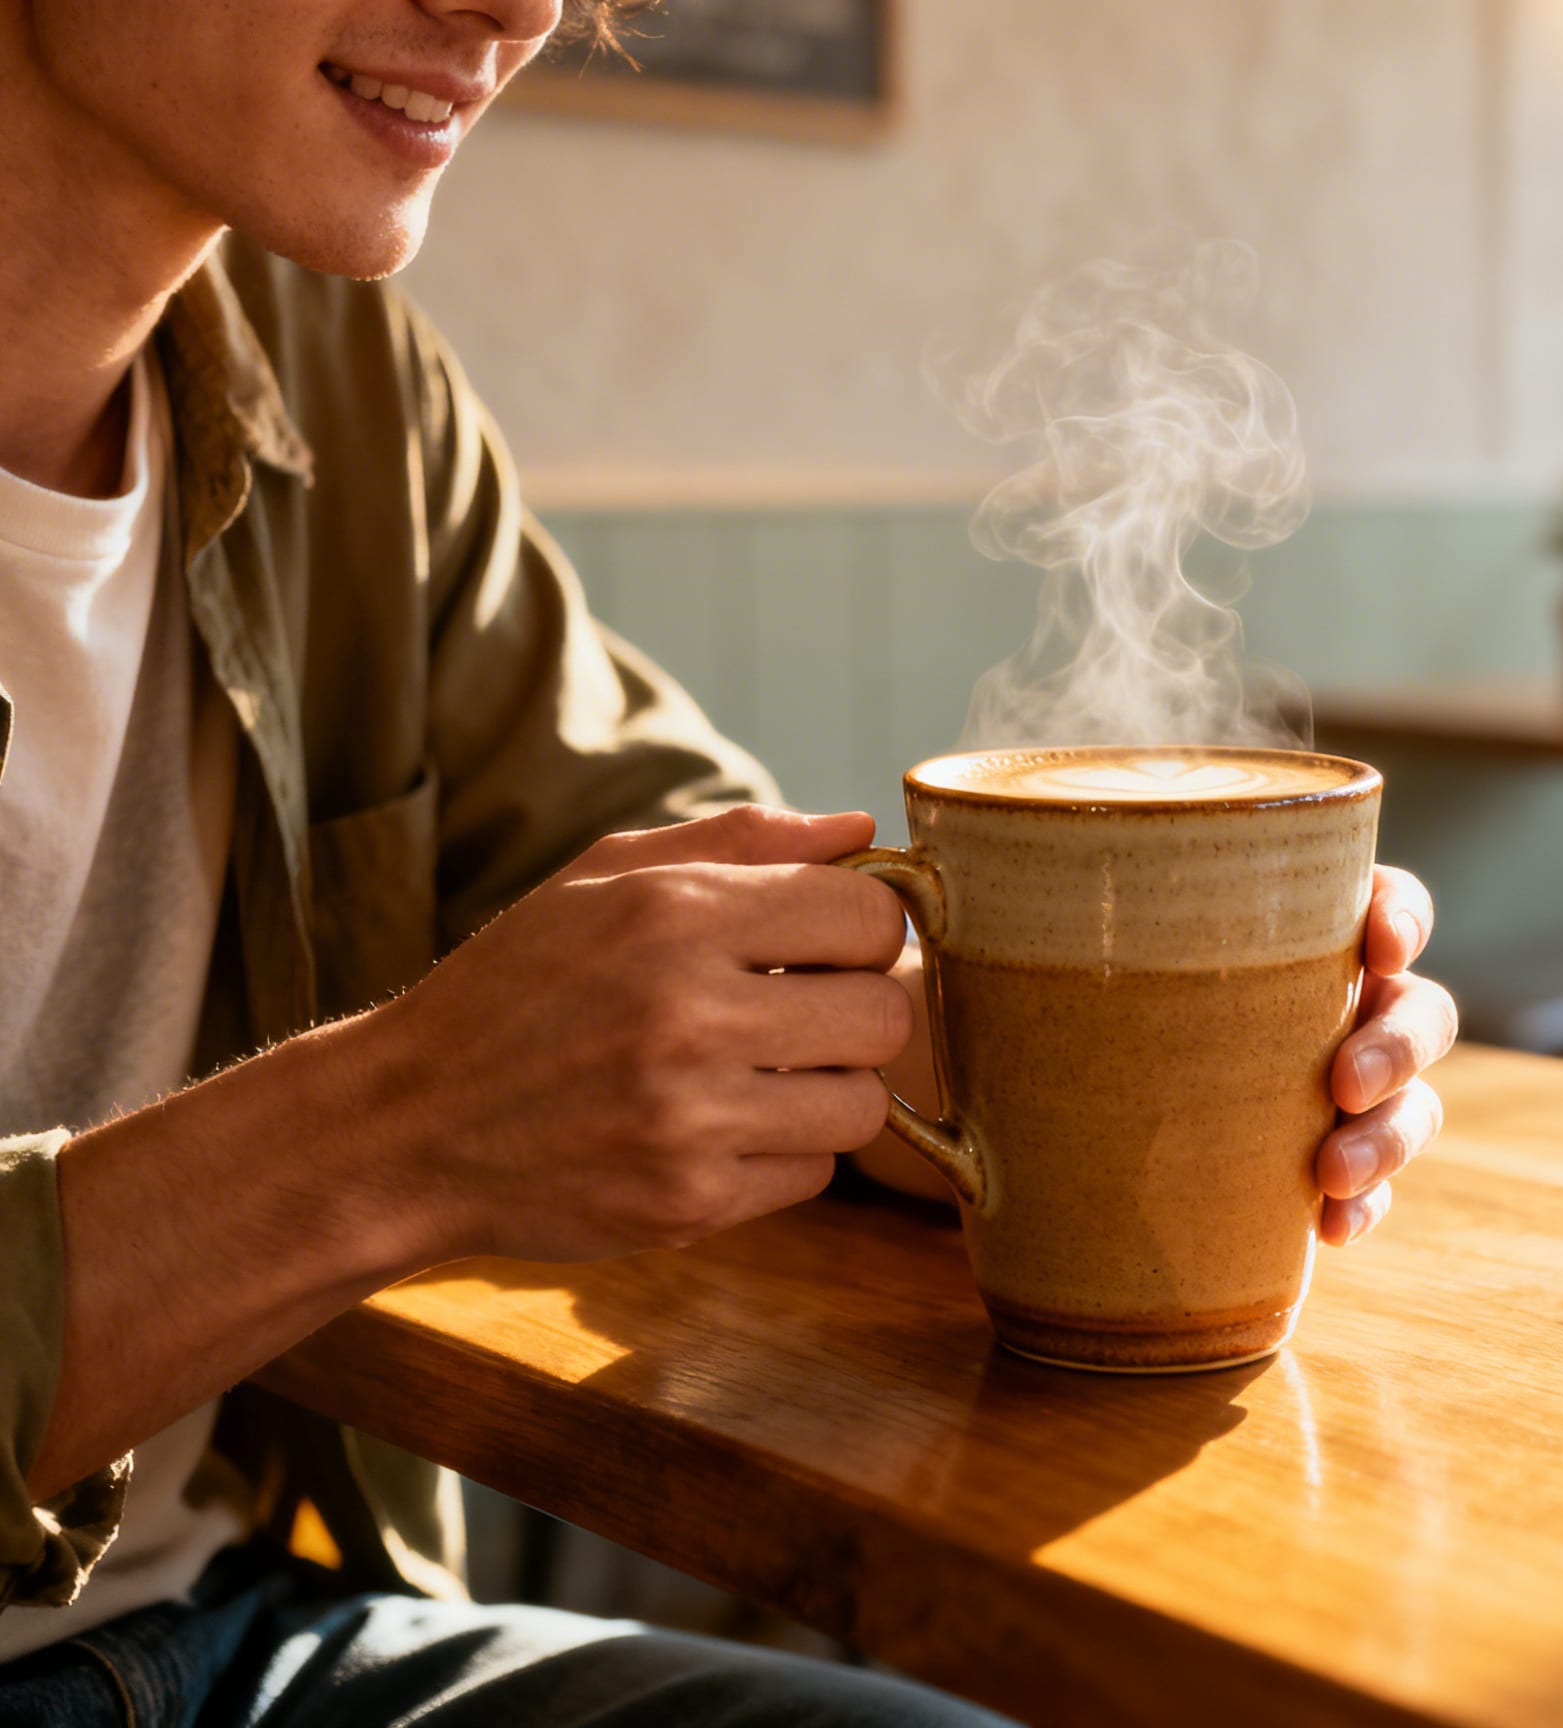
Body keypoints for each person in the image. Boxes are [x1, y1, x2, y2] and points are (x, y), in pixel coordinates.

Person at [0, 0, 1461, 1721]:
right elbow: (447, 1097)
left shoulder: (340, 386)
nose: (524, 8)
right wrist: (395, 1127)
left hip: (238, 1633)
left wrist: (1181, 1044)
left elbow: (735, 933)